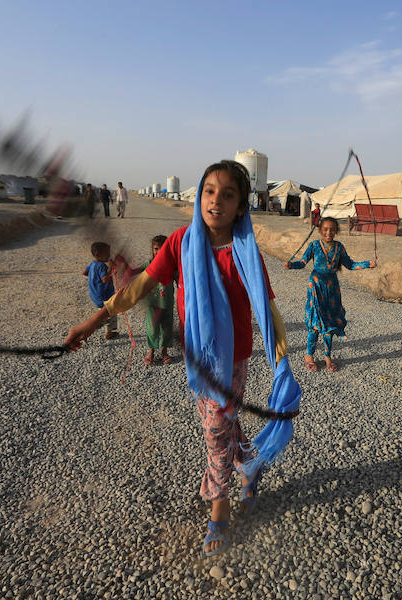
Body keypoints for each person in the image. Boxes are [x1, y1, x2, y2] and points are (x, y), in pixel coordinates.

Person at [64, 160, 300, 557]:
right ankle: (248, 467)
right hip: (198, 358)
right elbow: (139, 286)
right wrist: (93, 321)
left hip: (235, 357)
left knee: (214, 429)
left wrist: (282, 364)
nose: (216, 201)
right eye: (209, 191)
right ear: (199, 195)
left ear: (241, 206)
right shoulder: (180, 243)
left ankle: (219, 506)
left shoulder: (246, 253)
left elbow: (268, 309)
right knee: (223, 423)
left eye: (228, 194)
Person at [284, 217, 377, 373]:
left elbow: (351, 265)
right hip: (316, 287)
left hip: (332, 289)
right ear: (320, 230)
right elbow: (302, 262)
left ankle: (327, 357)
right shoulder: (314, 245)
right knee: (315, 323)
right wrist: (291, 265)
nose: (329, 232)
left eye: (332, 229)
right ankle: (309, 356)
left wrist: (368, 264)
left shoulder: (339, 247)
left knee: (330, 324)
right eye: (325, 229)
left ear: (336, 231)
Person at [133, 235, 175, 366]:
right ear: (152, 250)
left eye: (162, 249)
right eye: (156, 249)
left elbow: (182, 279)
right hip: (152, 304)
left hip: (167, 303)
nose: (159, 252)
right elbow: (138, 270)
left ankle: (164, 351)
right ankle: (151, 350)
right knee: (152, 328)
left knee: (167, 327)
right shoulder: (149, 264)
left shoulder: (172, 266)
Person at [81, 242, 118, 340]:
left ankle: (95, 325)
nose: (109, 255)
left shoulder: (92, 264)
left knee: (104, 313)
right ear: (98, 254)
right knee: (111, 313)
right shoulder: (102, 266)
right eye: (107, 253)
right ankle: (94, 328)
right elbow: (105, 279)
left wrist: (94, 278)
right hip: (105, 296)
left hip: (95, 295)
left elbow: (84, 272)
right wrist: (110, 268)